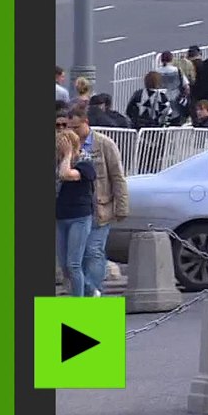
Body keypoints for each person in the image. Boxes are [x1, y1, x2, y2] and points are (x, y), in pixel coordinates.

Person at [64, 103, 128, 297]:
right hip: (76, 209)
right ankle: (88, 291)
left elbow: (117, 176)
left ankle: (94, 289)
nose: (73, 131)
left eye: (76, 127)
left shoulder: (104, 144)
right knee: (77, 258)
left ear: (86, 122)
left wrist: (121, 206)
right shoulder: (68, 145)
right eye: (70, 128)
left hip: (100, 209)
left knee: (94, 251)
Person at [56, 129, 96, 297]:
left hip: (79, 217)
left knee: (74, 264)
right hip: (61, 217)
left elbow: (66, 175)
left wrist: (69, 154)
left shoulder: (85, 164)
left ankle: (78, 305)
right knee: (65, 266)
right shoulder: (57, 165)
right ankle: (90, 290)